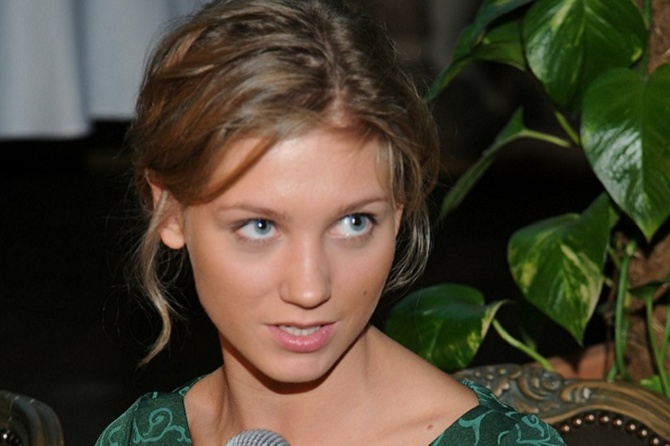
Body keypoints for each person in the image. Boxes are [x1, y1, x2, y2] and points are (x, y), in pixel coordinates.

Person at [96, 0, 566, 444]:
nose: (309, 289)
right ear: (170, 210)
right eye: (259, 227)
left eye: (354, 223)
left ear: (399, 209)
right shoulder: (143, 435)